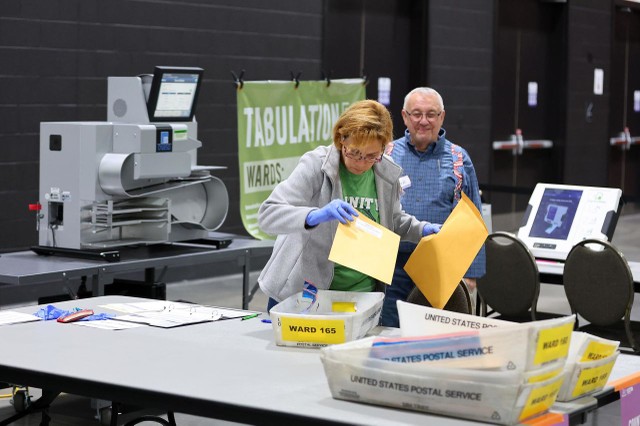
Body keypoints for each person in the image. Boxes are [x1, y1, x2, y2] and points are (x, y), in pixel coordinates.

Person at [257, 99, 441, 312]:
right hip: (306, 292)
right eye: (354, 152)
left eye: (372, 156)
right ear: (341, 139)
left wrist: (423, 229)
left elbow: (394, 220)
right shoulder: (317, 165)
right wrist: (314, 216)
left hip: (361, 295)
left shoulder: (386, 172)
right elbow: (268, 214)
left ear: (384, 148)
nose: (361, 162)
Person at [380, 87, 486, 327]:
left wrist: (471, 274)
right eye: (416, 114)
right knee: (389, 329)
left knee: (437, 334)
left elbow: (474, 217)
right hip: (392, 267)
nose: (423, 121)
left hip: (442, 267)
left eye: (431, 114)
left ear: (442, 117)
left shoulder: (459, 158)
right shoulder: (386, 154)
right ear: (405, 116)